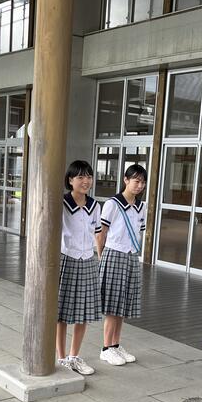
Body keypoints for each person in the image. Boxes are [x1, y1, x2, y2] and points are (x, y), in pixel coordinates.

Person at [96, 164, 147, 366]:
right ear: (126, 180)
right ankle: (106, 348)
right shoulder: (112, 204)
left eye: (143, 182)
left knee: (122, 305)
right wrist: (102, 257)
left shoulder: (141, 207)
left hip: (131, 256)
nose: (140, 185)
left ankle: (115, 345)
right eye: (136, 181)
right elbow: (101, 234)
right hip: (113, 255)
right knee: (112, 306)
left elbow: (139, 232)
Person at [56, 161, 100, 376]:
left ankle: (74, 356)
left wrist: (99, 256)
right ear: (70, 180)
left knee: (83, 312)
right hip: (67, 259)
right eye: (80, 177)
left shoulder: (95, 205)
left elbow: (97, 233)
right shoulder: (62, 204)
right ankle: (61, 357)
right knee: (62, 313)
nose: (86, 181)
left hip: (88, 260)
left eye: (89, 176)